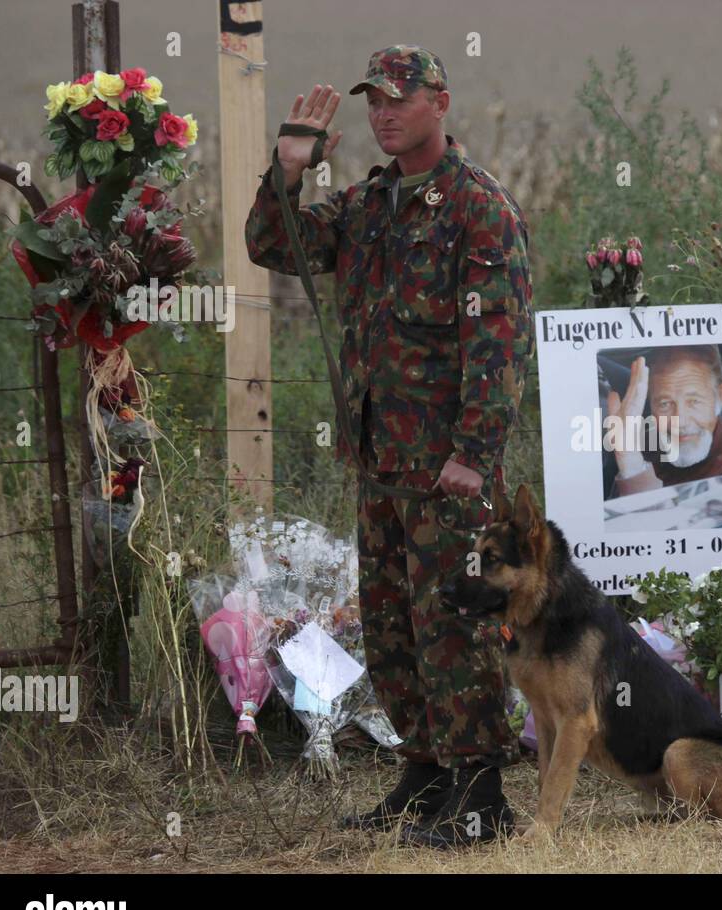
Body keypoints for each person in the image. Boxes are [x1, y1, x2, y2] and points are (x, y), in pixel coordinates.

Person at [244, 45, 533, 849]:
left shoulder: (477, 208)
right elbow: (277, 246)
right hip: (381, 463)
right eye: (375, 101)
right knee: (394, 622)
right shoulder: (371, 204)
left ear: (441, 104)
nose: (383, 114)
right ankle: (427, 771)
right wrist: (290, 168)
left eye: (400, 100)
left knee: (456, 627)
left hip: (447, 468)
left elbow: (500, 342)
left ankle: (481, 793)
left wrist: (473, 452)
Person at [605, 345, 722, 496]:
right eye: (664, 404)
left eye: (694, 402)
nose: (680, 421)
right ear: (651, 405)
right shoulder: (644, 443)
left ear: (720, 396)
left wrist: (632, 465)